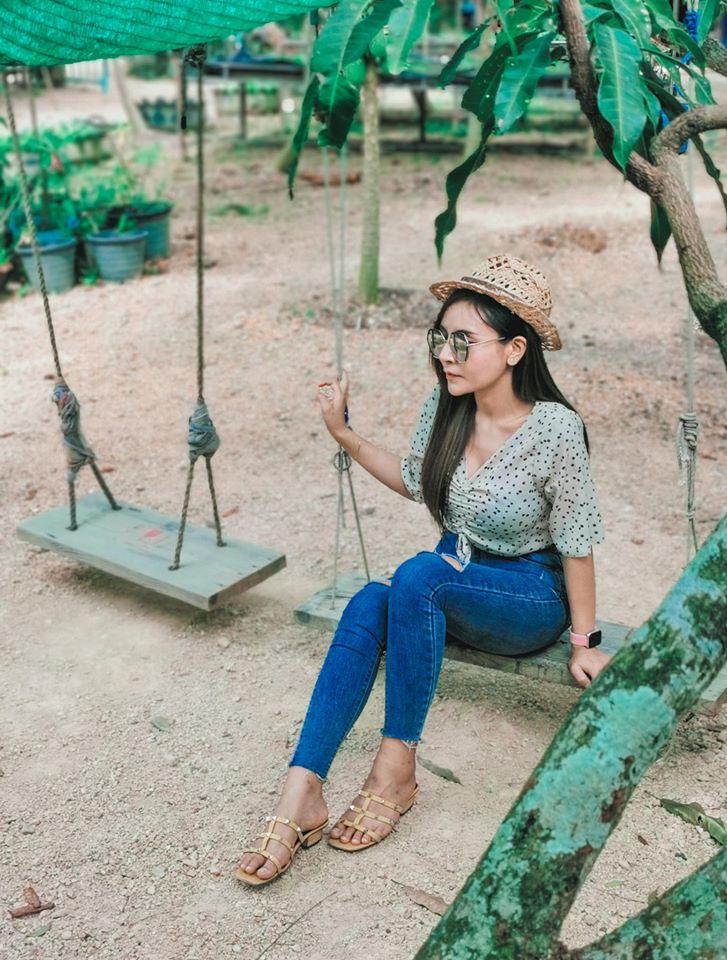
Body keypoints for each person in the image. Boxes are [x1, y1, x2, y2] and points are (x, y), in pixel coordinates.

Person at [235, 254, 611, 887]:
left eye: (463, 341)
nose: (446, 354)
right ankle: (301, 793)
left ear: (515, 349)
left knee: (417, 575)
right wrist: (344, 435)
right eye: (441, 337)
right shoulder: (448, 404)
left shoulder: (555, 429)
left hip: (528, 595)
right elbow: (415, 478)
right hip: (451, 578)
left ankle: (395, 771)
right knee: (369, 600)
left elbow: (577, 543)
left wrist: (584, 641)